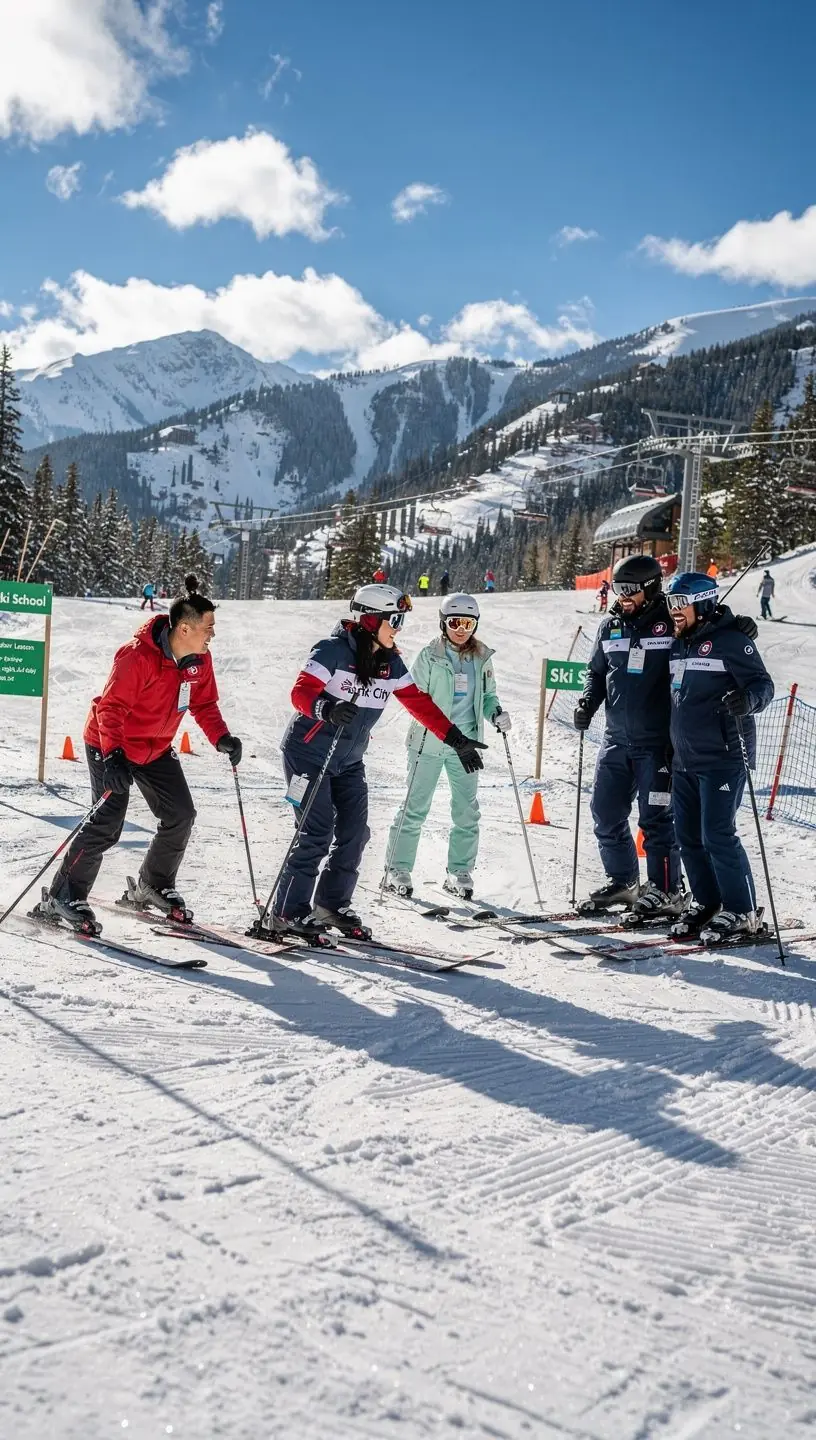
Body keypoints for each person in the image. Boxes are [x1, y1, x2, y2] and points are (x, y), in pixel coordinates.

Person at [263, 584, 486, 939]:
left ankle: (331, 905)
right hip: (308, 755)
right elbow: (300, 692)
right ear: (370, 620)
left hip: (349, 760)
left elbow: (418, 702)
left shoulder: (389, 662)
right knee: (316, 833)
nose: (398, 627)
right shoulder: (331, 651)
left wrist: (455, 739)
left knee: (355, 833)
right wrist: (327, 708)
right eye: (393, 619)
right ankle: (288, 912)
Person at [33, 576, 242, 935]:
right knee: (107, 822)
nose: (212, 635)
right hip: (109, 742)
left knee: (180, 813)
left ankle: (152, 883)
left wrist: (221, 736)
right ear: (185, 628)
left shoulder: (199, 662)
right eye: (209, 628)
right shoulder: (137, 655)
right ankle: (61, 896)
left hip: (155, 748)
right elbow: (110, 709)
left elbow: (203, 703)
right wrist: (112, 755)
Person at [665, 572, 774, 945]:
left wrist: (749, 701)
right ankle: (708, 902)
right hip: (685, 759)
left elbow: (763, 685)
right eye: (671, 604)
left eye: (681, 603)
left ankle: (742, 909)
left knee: (718, 834)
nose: (674, 611)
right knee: (688, 836)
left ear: (705, 601)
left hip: (723, 756)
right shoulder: (679, 645)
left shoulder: (732, 641)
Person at [573, 554, 685, 919]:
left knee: (655, 820)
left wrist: (739, 624)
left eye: (628, 590)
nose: (620, 596)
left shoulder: (670, 624)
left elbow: (710, 627)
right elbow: (595, 673)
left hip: (657, 744)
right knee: (605, 813)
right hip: (616, 740)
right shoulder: (610, 628)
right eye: (616, 588)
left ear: (651, 588)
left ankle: (666, 890)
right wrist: (588, 703)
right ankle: (623, 882)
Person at [384, 593, 510, 900]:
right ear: (443, 623)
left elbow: (488, 696)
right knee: (415, 807)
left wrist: (496, 713)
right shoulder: (430, 655)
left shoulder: (481, 657)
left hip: (467, 745)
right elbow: (416, 701)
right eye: (455, 622)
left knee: (466, 811)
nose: (461, 629)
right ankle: (396, 869)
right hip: (428, 742)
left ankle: (459, 871)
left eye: (468, 623)